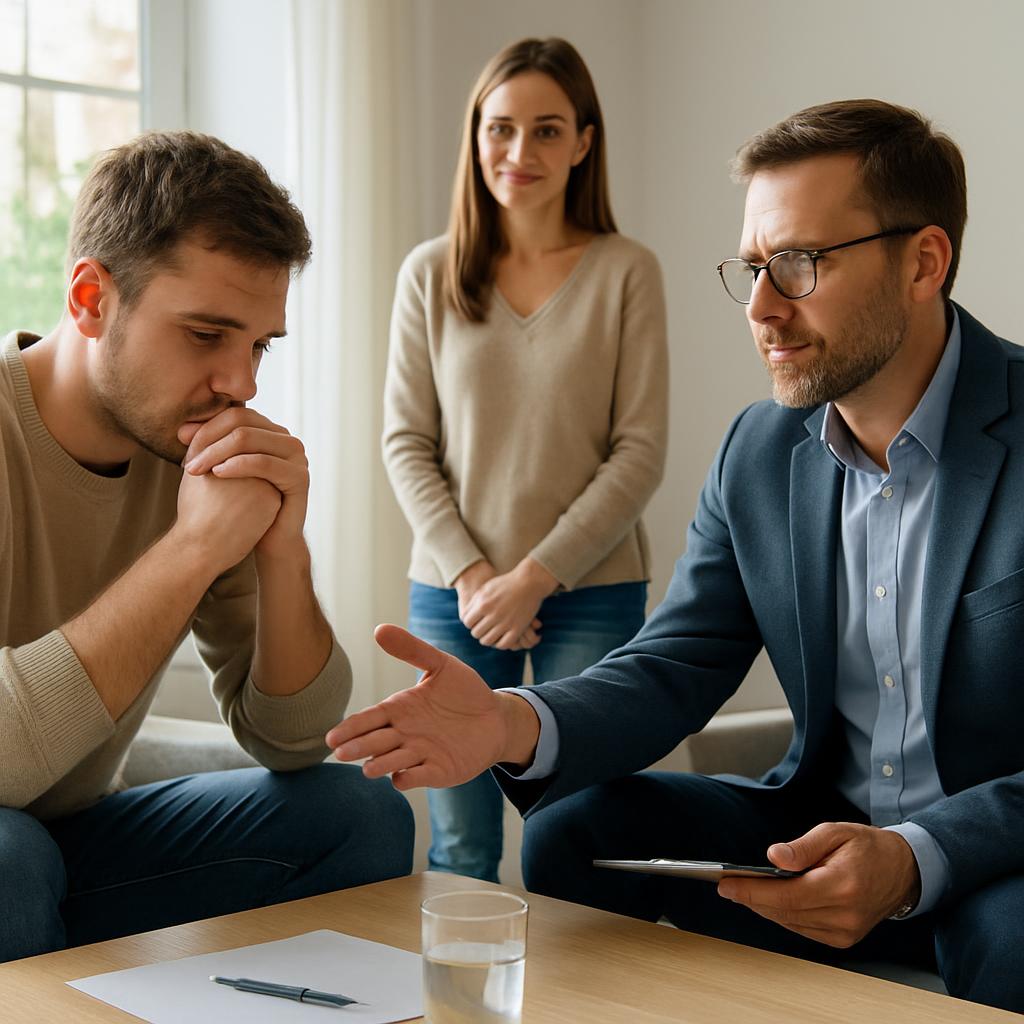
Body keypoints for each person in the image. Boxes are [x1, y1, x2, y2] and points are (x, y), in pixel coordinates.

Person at [329, 99, 1024, 1014]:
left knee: (1012, 939)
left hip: (992, 856)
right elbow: (678, 662)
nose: (764, 308)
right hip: (812, 837)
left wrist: (915, 858)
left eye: (800, 265)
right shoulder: (761, 450)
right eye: (752, 269)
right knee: (575, 830)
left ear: (923, 261)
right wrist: (507, 723)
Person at [0, 131, 413, 963]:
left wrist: (281, 549)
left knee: (360, 812)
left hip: (72, 845)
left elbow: (292, 739)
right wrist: (190, 550)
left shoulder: (185, 454)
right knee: (10, 857)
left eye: (259, 344)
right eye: (205, 335)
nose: (243, 383)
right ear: (90, 298)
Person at [382, 37, 667, 882]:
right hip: (451, 598)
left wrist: (534, 578)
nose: (519, 152)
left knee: (577, 838)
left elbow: (640, 449)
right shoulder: (429, 274)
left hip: (593, 593)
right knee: (462, 845)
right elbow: (406, 443)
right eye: (500, 129)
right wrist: (475, 579)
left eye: (546, 131)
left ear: (584, 141)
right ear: (475, 138)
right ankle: (459, 1014)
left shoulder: (627, 271)